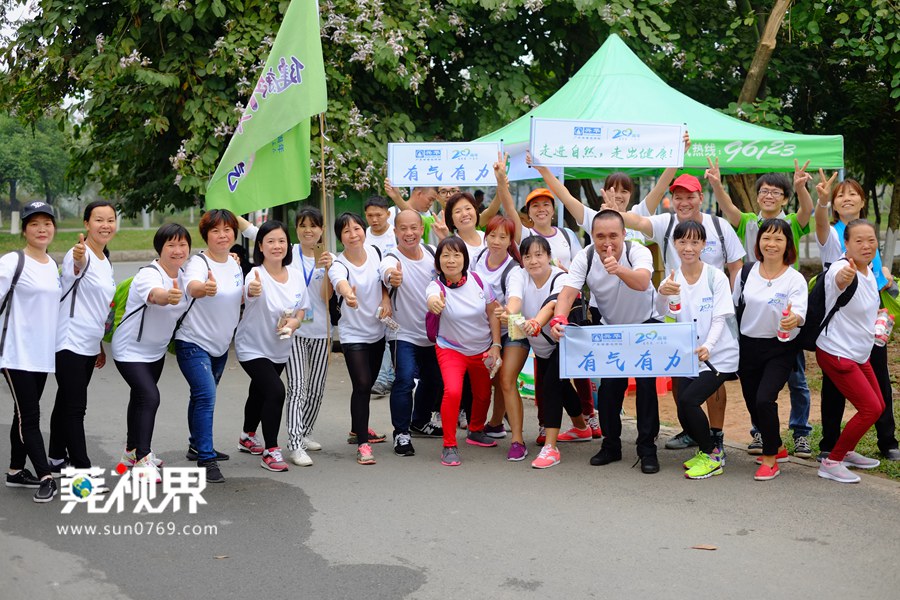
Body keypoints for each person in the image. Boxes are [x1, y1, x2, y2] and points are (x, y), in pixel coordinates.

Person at [617, 173, 745, 456]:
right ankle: (691, 431)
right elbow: (635, 221)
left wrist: (732, 302)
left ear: (701, 197)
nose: (684, 202)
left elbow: (736, 264)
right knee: (681, 379)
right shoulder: (666, 223)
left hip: (715, 316)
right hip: (679, 316)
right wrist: (615, 207)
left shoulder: (718, 226)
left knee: (711, 379)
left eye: (690, 196)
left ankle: (715, 436)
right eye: (678, 197)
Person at [708, 159, 816, 458]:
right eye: (764, 191)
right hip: (755, 308)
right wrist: (716, 183)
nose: (769, 196)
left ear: (784, 197)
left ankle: (801, 431)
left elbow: (808, 211)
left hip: (785, 311)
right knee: (756, 388)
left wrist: (801, 188)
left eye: (776, 192)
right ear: (757, 196)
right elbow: (728, 208)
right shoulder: (747, 221)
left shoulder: (793, 222)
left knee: (797, 380)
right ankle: (762, 433)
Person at [551, 210, 662, 474]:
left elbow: (643, 281)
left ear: (624, 234)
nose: (607, 242)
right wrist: (558, 320)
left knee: (646, 389)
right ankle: (611, 446)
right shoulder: (586, 256)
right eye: (600, 236)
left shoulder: (638, 252)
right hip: (612, 329)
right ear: (592, 236)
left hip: (646, 324)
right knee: (610, 390)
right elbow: (567, 294)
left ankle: (647, 449)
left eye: (613, 235)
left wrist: (619, 268)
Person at [814, 174, 899, 462]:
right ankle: (831, 444)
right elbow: (821, 226)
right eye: (841, 195)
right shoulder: (835, 235)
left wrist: (884, 277)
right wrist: (822, 202)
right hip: (840, 331)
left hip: (870, 325)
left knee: (881, 384)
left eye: (853, 194)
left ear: (863, 201)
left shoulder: (867, 235)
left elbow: (873, 278)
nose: (847, 198)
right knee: (835, 388)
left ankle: (887, 440)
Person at [656, 221, 740, 480]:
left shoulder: (716, 277)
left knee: (689, 400)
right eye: (683, 242)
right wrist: (661, 293)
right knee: (683, 403)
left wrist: (709, 346)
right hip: (688, 355)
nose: (688, 248)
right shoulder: (673, 278)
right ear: (675, 244)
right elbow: (663, 315)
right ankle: (707, 451)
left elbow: (720, 318)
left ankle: (712, 454)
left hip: (719, 355)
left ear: (704, 245)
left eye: (695, 242)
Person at [112, 223, 189, 483]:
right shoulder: (149, 274)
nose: (178, 250)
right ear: (160, 248)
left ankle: (130, 454)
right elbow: (155, 295)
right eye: (171, 245)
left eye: (182, 245)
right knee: (150, 397)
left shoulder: (187, 273)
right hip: (129, 350)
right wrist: (168, 295)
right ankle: (143, 458)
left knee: (140, 399)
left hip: (155, 352)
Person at [732, 219, 808, 480]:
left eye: (778, 238)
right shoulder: (746, 272)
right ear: (759, 242)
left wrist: (793, 319)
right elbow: (733, 307)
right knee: (754, 402)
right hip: (748, 346)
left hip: (780, 347)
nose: (771, 243)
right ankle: (776, 444)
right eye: (767, 237)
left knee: (765, 399)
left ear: (788, 244)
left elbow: (799, 311)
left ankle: (770, 459)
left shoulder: (795, 279)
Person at [174, 209, 244, 483]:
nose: (222, 235)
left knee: (200, 395)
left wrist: (248, 293)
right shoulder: (199, 263)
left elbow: (235, 298)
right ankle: (206, 457)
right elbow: (191, 286)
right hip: (193, 341)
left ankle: (196, 444)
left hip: (220, 345)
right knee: (206, 396)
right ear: (206, 235)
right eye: (215, 230)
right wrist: (204, 289)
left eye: (227, 229)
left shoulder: (235, 263)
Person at [503, 235, 585, 469]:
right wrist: (509, 311)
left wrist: (537, 323)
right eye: (527, 256)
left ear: (549, 256)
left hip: (562, 340)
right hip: (540, 344)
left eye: (539, 255)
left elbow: (553, 304)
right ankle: (581, 427)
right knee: (560, 385)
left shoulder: (561, 277)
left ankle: (551, 447)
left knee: (549, 385)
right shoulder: (518, 274)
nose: (533, 261)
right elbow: (515, 299)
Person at [49, 201, 116, 477]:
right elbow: (75, 269)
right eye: (98, 220)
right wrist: (78, 258)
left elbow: (97, 307)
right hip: (69, 341)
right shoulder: (79, 253)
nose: (105, 225)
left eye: (110, 220)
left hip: (88, 343)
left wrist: (99, 345)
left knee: (65, 401)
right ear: (86, 224)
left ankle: (55, 458)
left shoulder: (104, 259)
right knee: (76, 408)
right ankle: (81, 470)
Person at [235, 220, 308, 473]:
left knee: (259, 391)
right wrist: (252, 290)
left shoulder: (296, 276)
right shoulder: (255, 275)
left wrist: (294, 323)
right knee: (276, 391)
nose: (277, 246)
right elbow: (249, 292)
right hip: (252, 347)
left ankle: (247, 436)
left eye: (281, 241)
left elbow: (300, 312)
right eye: (270, 241)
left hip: (280, 347)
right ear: (261, 247)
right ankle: (271, 450)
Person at [815, 220, 885, 483]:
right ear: (846, 244)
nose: (866, 246)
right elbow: (839, 280)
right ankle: (832, 462)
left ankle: (845, 452)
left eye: (871, 240)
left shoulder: (868, 272)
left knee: (878, 406)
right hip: (837, 353)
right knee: (870, 409)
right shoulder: (842, 268)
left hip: (859, 353)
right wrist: (845, 276)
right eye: (859, 241)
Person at [2, 202, 61, 503]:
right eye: (34, 223)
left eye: (47, 223)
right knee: (30, 415)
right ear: (24, 229)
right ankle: (45, 475)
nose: (41, 229)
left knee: (22, 413)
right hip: (15, 353)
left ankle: (15, 471)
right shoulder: (12, 262)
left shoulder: (51, 265)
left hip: (41, 354)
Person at [426, 236, 502, 466]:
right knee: (454, 392)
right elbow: (431, 300)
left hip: (482, 349)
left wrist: (496, 345)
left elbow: (493, 312)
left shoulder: (479, 281)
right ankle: (449, 445)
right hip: (451, 349)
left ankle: (476, 430)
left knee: (482, 393)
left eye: (456, 255)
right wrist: (434, 303)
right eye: (445, 255)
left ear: (464, 259)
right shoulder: (435, 287)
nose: (451, 260)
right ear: (438, 261)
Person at [329, 212, 392, 465]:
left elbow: (385, 279)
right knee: (363, 384)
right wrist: (348, 294)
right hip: (352, 333)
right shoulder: (338, 263)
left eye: (357, 228)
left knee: (369, 381)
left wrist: (386, 298)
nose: (353, 234)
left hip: (377, 330)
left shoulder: (376, 252)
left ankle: (358, 428)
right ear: (340, 237)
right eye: (346, 231)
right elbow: (339, 282)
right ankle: (363, 444)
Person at [380, 209, 444, 456]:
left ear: (421, 229)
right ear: (395, 231)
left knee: (435, 379)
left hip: (431, 333)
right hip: (402, 334)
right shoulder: (391, 257)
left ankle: (419, 420)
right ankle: (401, 433)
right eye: (403, 228)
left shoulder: (430, 253)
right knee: (405, 379)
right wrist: (391, 277)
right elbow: (385, 273)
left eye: (414, 228)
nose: (409, 233)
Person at [283, 206, 334, 466]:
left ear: (321, 230)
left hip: (321, 331)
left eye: (313, 225)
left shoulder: (328, 258)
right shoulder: (288, 253)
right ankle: (294, 444)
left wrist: (326, 270)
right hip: (294, 330)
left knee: (315, 389)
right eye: (303, 225)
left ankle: (305, 432)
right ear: (297, 229)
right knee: (298, 387)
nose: (308, 230)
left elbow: (326, 298)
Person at [473, 215, 525, 456]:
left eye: (503, 237)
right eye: (492, 235)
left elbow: (515, 298)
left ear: (510, 241)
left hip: (513, 329)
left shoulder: (514, 270)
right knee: (494, 379)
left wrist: (509, 311)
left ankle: (518, 441)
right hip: (485, 331)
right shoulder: (477, 260)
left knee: (506, 379)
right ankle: (495, 424)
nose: (496, 241)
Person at [365, 195, 397, 398]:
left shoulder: (395, 235)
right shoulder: (363, 235)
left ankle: (386, 378)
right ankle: (383, 377)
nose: (375, 219)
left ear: (388, 214)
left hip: (397, 292)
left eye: (379, 215)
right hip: (372, 293)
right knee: (380, 335)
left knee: (392, 335)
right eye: (370, 215)